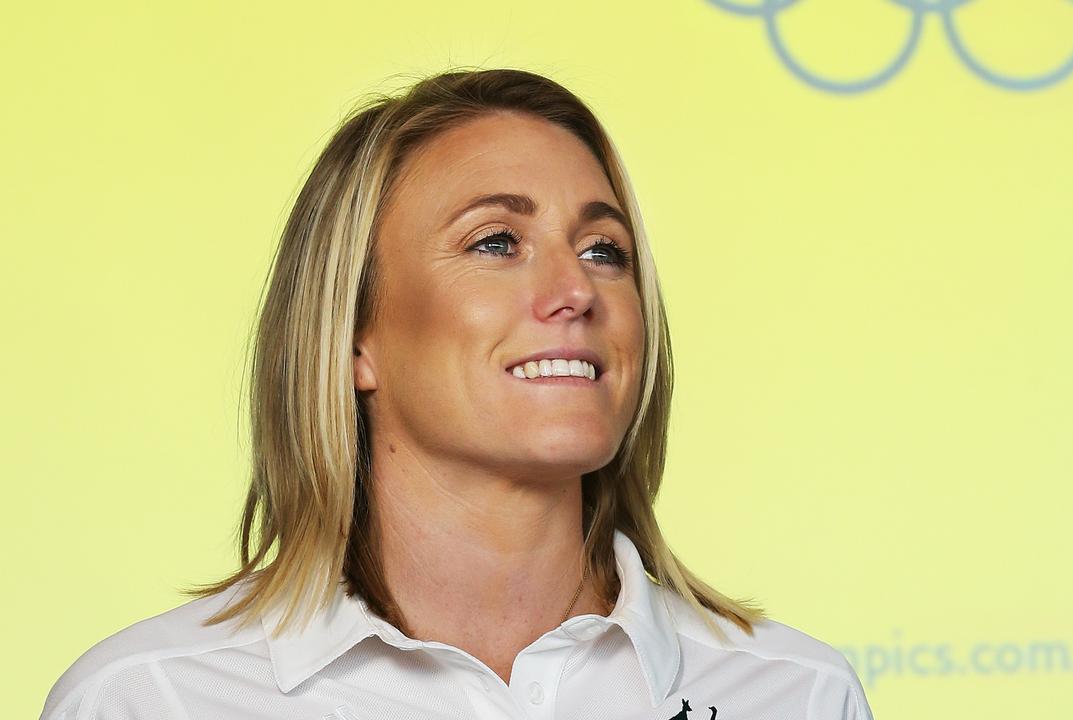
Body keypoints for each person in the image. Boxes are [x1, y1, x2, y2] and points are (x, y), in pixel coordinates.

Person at [39, 68, 874, 720]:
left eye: (604, 250)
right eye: (498, 241)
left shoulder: (797, 694)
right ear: (353, 334)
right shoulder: (148, 701)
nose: (574, 290)